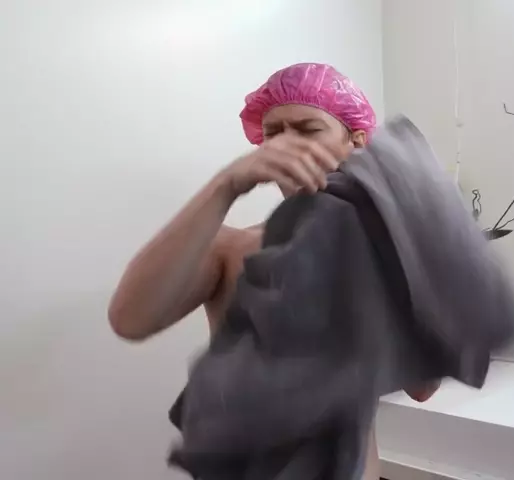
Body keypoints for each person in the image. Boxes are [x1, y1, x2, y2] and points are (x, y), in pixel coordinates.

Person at [108, 62, 439, 480]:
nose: (285, 143)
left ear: (355, 142)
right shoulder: (231, 249)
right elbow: (130, 319)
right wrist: (226, 184)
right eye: (273, 132)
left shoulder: (383, 251)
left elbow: (422, 388)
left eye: (307, 128)